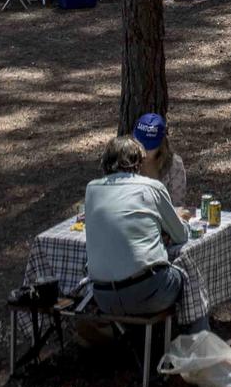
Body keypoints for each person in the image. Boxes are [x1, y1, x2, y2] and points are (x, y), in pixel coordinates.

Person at [82, 135, 194, 321]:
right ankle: (198, 337)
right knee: (190, 274)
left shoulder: (92, 189)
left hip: (103, 296)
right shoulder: (152, 187)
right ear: (138, 162)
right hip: (150, 291)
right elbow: (181, 236)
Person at [132, 112, 188, 206]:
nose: (144, 150)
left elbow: (177, 206)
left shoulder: (174, 164)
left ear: (161, 144)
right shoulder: (125, 161)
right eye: (140, 144)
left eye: (150, 147)